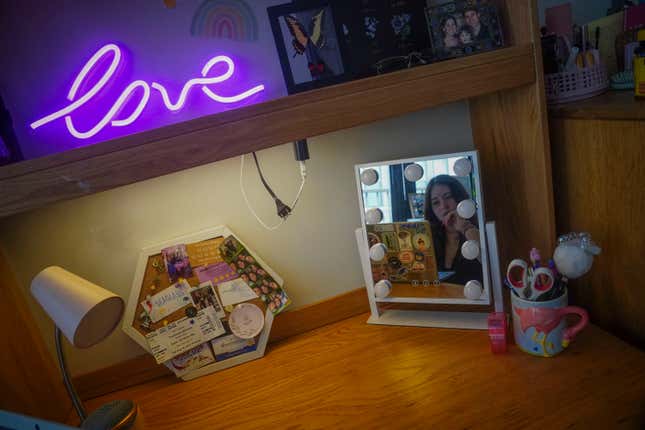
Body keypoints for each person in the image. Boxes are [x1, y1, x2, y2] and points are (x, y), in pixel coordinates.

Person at [424, 175, 482, 284]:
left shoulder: (477, 229)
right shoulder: (429, 237)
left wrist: (464, 227)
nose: (443, 206)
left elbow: (491, 265)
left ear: (459, 198)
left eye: (448, 197)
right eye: (436, 202)